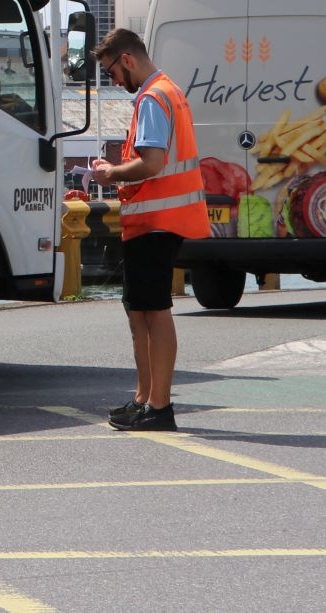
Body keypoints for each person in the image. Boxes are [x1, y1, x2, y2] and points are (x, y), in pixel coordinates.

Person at [86, 27, 209, 432]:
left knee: (153, 311)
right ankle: (146, 399)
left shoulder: (153, 97)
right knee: (140, 310)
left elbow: (152, 163)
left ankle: (158, 405)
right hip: (155, 221)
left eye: (112, 73)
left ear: (127, 60)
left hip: (157, 221)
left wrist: (110, 174)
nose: (114, 83)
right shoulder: (165, 91)